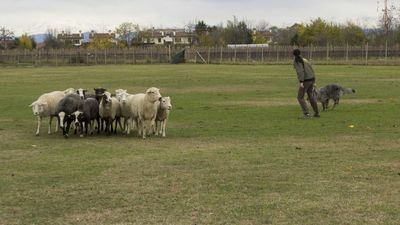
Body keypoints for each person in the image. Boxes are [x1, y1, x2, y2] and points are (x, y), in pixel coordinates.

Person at [292, 49, 320, 118]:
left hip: (306, 80)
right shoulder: (305, 59)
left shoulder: (297, 61)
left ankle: (306, 114)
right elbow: (311, 69)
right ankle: (316, 113)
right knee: (311, 96)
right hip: (312, 79)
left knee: (300, 97)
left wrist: (301, 82)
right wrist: (314, 80)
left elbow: (300, 71)